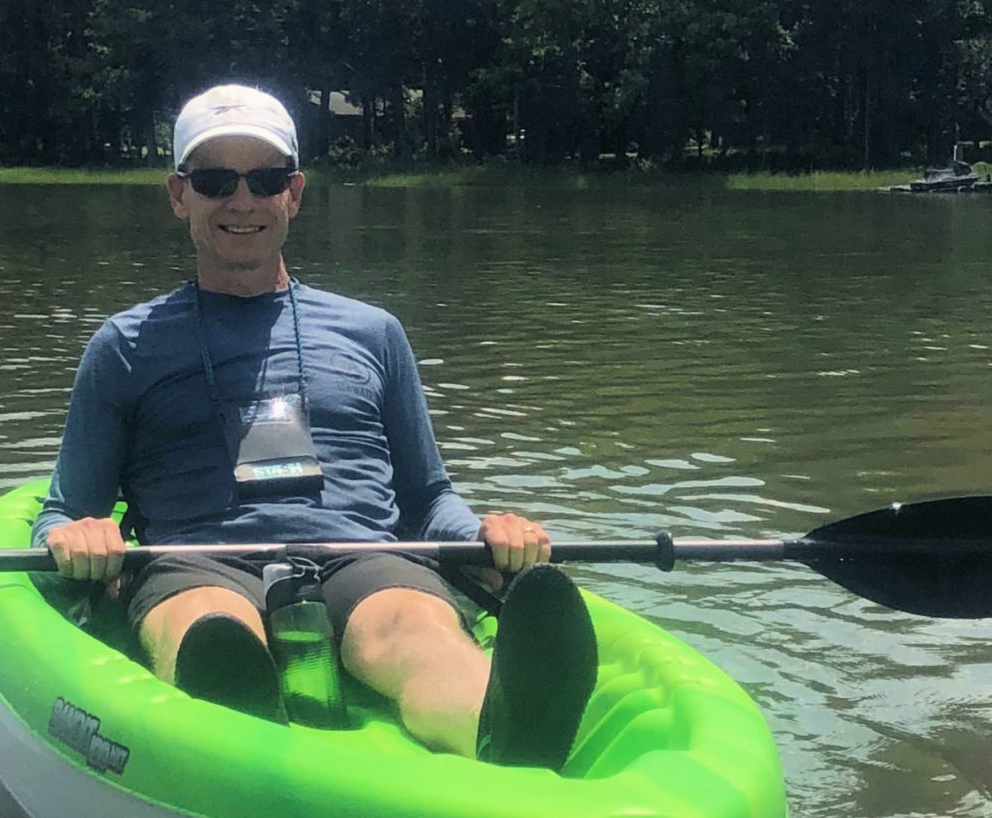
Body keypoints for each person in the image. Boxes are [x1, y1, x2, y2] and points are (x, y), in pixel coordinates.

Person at [37, 82, 597, 767]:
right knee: (209, 624)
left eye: (265, 179)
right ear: (180, 195)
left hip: (363, 557)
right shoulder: (124, 346)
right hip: (197, 561)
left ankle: (504, 731)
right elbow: (65, 509)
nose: (242, 200)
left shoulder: (375, 334)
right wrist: (75, 535)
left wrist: (483, 535)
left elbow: (427, 498)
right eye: (215, 180)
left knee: (414, 630)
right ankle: (235, 716)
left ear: (294, 193)